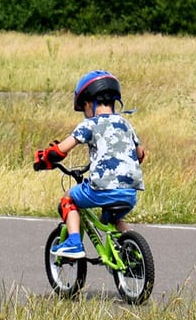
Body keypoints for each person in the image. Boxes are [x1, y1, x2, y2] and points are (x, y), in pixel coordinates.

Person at [32, 69, 145, 260]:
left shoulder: (89, 124)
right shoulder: (125, 123)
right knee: (113, 219)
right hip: (130, 192)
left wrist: (46, 157)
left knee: (68, 199)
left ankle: (74, 243)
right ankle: (133, 250)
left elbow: (61, 150)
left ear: (88, 103)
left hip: (102, 188)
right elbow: (140, 154)